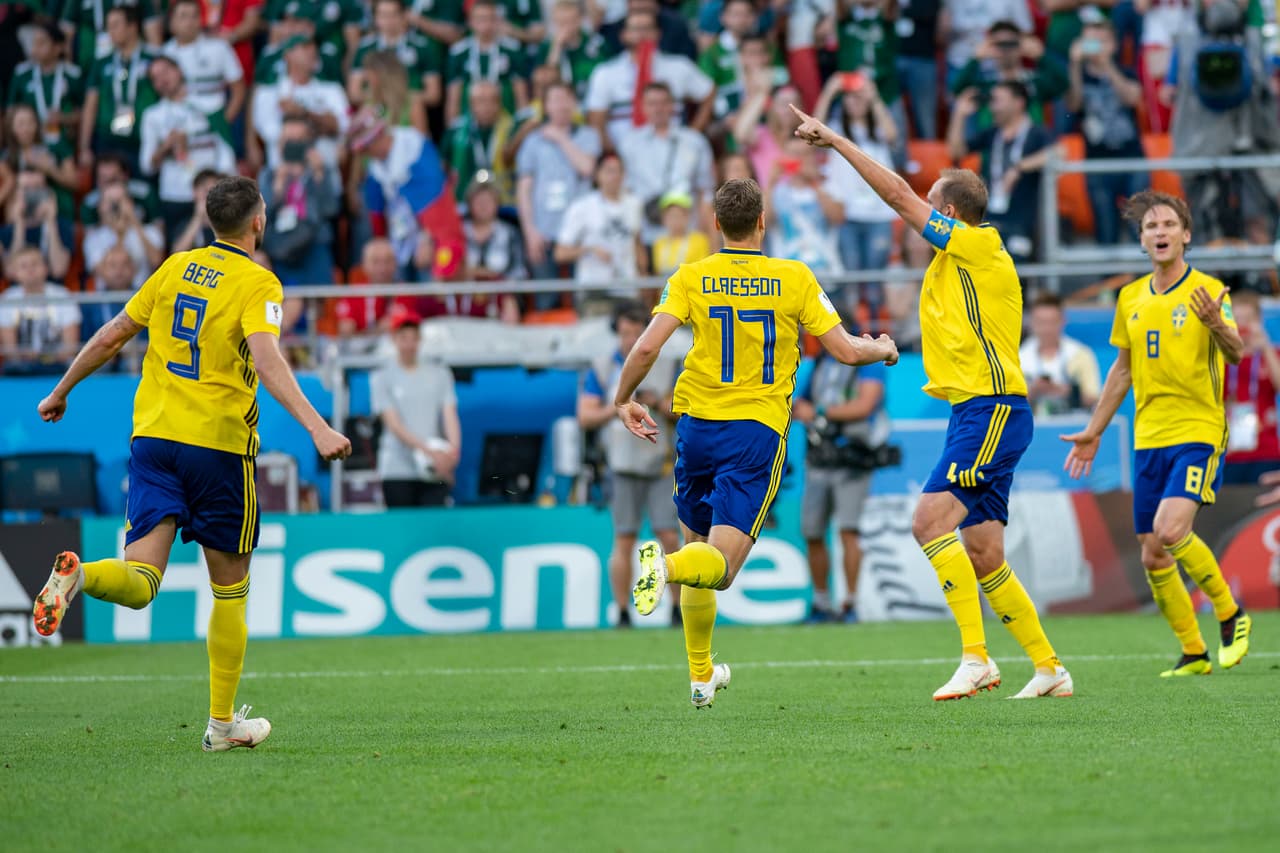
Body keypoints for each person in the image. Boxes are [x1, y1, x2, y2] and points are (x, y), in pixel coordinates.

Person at [30, 175, 352, 751]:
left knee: (141, 580)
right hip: (218, 448)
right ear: (258, 222)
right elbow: (267, 355)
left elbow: (113, 333)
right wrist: (317, 425)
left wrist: (62, 389)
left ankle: (82, 574)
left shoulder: (175, 266)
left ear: (210, 223)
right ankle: (222, 724)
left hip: (153, 440)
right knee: (230, 590)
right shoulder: (258, 282)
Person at [790, 102, 1074, 700]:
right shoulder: (952, 267)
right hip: (976, 410)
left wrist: (839, 142)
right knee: (983, 550)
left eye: (930, 199)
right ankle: (1049, 668)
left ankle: (977, 658)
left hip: (991, 408)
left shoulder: (979, 245)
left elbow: (896, 197)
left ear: (948, 212)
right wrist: (888, 350)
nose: (918, 204)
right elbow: (957, 337)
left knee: (927, 522)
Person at [615, 177, 898, 708]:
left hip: (695, 428)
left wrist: (622, 398)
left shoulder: (692, 275)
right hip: (754, 432)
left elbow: (648, 346)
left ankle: (701, 677)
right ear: (763, 222)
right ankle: (665, 566)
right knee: (717, 567)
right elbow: (844, 352)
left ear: (716, 225)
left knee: (701, 547)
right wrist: (881, 349)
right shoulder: (793, 277)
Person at [1062, 190, 1252, 677]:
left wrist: (1216, 325)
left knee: (1171, 531)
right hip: (1148, 436)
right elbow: (1122, 372)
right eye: (1151, 227)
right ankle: (1193, 651)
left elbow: (1236, 353)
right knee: (1152, 552)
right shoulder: (1130, 297)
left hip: (1198, 429)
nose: (1160, 232)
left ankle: (1230, 613)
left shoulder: (1208, 290)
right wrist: (1094, 431)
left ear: (1186, 235)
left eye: (1169, 224)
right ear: (1143, 240)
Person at [578, 300, 682, 628]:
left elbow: (684, 408)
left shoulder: (667, 363)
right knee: (624, 538)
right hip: (621, 464)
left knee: (670, 538)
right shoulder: (602, 367)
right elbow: (585, 416)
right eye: (625, 333)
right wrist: (621, 405)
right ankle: (622, 611)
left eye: (637, 333)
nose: (631, 340)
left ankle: (678, 609)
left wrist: (658, 403)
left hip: (661, 464)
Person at [793, 331, 889, 623]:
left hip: (853, 456)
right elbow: (798, 404)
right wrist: (809, 411)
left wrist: (821, 412)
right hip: (820, 456)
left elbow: (865, 405)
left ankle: (850, 602)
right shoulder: (821, 362)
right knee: (812, 531)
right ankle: (822, 602)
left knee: (849, 529)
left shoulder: (869, 361)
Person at [946, 81, 1053, 263]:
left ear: (1018, 103)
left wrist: (1018, 168)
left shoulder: (1036, 133)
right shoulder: (993, 133)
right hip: (990, 220)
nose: (992, 107)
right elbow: (956, 150)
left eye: (997, 100)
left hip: (1022, 221)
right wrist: (959, 114)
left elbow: (1059, 153)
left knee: (1017, 275)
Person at [1065, 18, 1147, 246]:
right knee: (1105, 230)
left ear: (1114, 45)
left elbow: (1132, 97)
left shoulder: (1125, 72)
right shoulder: (1078, 75)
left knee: (1140, 228)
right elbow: (1073, 105)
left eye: (1101, 41)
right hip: (1097, 163)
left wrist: (1107, 66)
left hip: (1132, 160)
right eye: (1090, 41)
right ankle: (1109, 282)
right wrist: (1074, 64)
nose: (1096, 47)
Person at [514, 80, 602, 290]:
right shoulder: (532, 141)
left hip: (580, 232)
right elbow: (524, 189)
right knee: (546, 294)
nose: (561, 106)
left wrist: (561, 139)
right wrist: (529, 231)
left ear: (574, 103)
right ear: (545, 106)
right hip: (543, 230)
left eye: (566, 99)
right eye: (555, 100)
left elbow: (587, 168)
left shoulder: (588, 135)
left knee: (581, 293)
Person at [584, 8, 714, 146]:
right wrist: (615, 156)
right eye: (636, 29)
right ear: (623, 35)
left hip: (673, 152)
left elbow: (709, 94)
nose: (642, 34)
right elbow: (596, 120)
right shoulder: (606, 73)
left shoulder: (679, 66)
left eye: (647, 28)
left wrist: (692, 134)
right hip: (626, 155)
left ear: (658, 33)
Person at [371, 314, 462, 507]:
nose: (409, 345)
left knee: (433, 531)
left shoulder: (439, 374)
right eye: (404, 338)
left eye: (414, 338)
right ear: (394, 339)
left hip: (434, 468)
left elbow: (450, 416)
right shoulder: (382, 377)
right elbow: (394, 424)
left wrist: (452, 454)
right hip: (398, 468)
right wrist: (429, 452)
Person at [139, 56, 238, 229]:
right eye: (155, 78)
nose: (163, 79)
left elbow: (225, 147)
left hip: (212, 192)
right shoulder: (152, 115)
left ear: (179, 70)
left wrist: (222, 186)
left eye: (166, 71)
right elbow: (147, 166)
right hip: (174, 195)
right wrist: (165, 147)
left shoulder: (209, 104)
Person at [555, 152, 646, 304]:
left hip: (627, 288)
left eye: (619, 171)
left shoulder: (634, 204)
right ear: (598, 175)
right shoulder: (582, 207)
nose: (615, 176)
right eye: (609, 171)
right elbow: (560, 253)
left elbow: (637, 243)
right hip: (594, 289)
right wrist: (589, 250)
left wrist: (643, 275)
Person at [1221, 290, 1280, 485]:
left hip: (1266, 452)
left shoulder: (1272, 354)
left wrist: (1264, 347)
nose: (1243, 324)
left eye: (1248, 318)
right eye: (1237, 318)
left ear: (1259, 320)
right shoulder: (1221, 359)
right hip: (1230, 453)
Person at [0, 245, 81, 375]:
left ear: (45, 268)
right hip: (21, 368)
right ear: (15, 272)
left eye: (35, 264)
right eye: (24, 266)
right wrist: (26, 357)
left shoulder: (63, 296)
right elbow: (10, 350)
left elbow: (70, 347)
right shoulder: (8, 299)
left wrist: (46, 358)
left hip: (58, 367)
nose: (30, 270)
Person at [162, 0, 246, 123]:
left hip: (214, 122)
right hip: (177, 124)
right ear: (172, 22)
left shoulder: (219, 47)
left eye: (194, 16)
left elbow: (238, 89)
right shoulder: (164, 53)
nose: (189, 22)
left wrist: (223, 123)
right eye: (183, 16)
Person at [1019, 292, 1102, 416]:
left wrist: (1065, 391)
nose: (1047, 328)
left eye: (1052, 322)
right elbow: (1010, 405)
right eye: (1041, 322)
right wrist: (1034, 391)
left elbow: (1095, 399)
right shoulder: (1019, 358)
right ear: (1031, 322)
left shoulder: (1081, 354)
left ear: (1062, 321)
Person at [650, 192, 711, 277]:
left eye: (679, 215)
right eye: (671, 215)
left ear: (687, 216)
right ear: (664, 218)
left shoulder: (699, 240)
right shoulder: (659, 242)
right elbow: (658, 272)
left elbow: (701, 271)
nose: (675, 220)